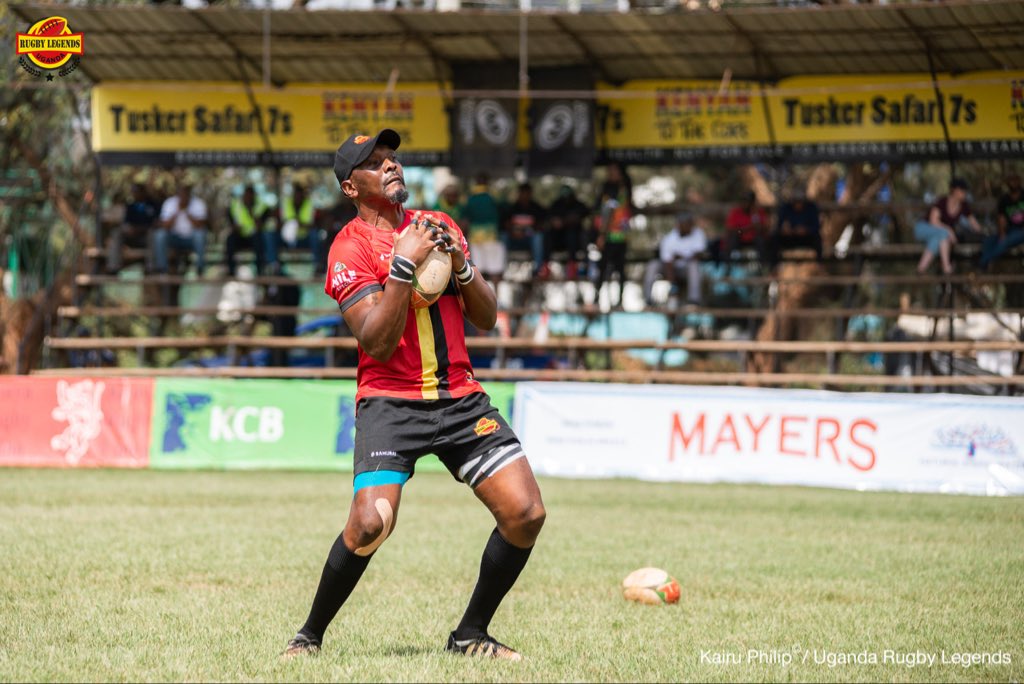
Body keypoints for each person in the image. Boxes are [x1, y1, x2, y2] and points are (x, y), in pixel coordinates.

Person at [283, 129, 545, 661]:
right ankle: (308, 637)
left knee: (526, 513)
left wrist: (463, 268)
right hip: (390, 401)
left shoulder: (440, 225)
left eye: (392, 158)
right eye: (375, 164)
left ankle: (470, 634)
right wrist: (403, 267)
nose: (391, 166)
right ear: (351, 188)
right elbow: (376, 342)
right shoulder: (348, 248)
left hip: (459, 397)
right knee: (370, 523)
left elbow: (488, 317)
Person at [914, 178, 983, 275]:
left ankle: (921, 268)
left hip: (939, 236)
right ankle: (946, 267)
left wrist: (983, 235)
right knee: (944, 234)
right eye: (962, 190)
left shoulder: (964, 205)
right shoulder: (942, 201)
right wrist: (949, 230)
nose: (964, 193)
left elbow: (974, 223)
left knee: (939, 239)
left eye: (965, 190)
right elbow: (933, 221)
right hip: (924, 228)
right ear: (954, 190)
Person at [642, 211, 707, 308]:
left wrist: (681, 257)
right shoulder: (669, 239)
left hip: (687, 269)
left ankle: (694, 301)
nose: (689, 226)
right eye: (686, 224)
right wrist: (673, 285)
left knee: (693, 265)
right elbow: (668, 262)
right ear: (679, 225)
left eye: (690, 223)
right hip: (670, 269)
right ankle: (648, 300)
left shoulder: (699, 234)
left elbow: (699, 255)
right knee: (653, 265)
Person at [592, 162, 633, 308]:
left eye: (614, 171)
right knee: (603, 268)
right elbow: (601, 212)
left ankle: (620, 300)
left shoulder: (625, 188)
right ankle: (596, 298)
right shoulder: (606, 190)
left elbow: (626, 210)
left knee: (620, 269)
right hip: (607, 235)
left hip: (621, 235)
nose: (611, 173)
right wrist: (601, 234)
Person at [153, 183, 208, 276]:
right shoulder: (169, 203)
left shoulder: (199, 203)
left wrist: (186, 211)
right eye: (181, 193)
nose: (183, 196)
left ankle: (200, 268)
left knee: (200, 235)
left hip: (192, 239)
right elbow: (165, 226)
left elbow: (200, 226)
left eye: (185, 193)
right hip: (174, 238)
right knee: (160, 235)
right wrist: (177, 211)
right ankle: (162, 268)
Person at [461, 173, 506, 282]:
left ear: (476, 182)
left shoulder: (469, 199)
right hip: (492, 236)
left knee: (478, 270)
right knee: (495, 269)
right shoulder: (494, 197)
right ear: (488, 182)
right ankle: (496, 297)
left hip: (475, 237)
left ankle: (481, 298)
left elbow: (465, 221)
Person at [106, 182, 159, 274]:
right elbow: (126, 223)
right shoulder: (131, 206)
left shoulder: (153, 205)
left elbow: (155, 224)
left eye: (136, 191)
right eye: (133, 191)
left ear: (143, 192)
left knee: (153, 234)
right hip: (132, 237)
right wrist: (128, 229)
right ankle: (113, 267)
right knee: (117, 232)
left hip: (146, 238)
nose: (134, 194)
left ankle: (151, 267)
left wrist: (140, 229)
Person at [267, 183, 318, 273]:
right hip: (287, 239)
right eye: (296, 195)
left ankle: (317, 265)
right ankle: (274, 264)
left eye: (299, 195)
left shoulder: (309, 204)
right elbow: (280, 224)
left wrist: (300, 224)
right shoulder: (286, 204)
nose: (297, 197)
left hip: (302, 239)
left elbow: (312, 225)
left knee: (314, 234)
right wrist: (286, 225)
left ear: (303, 196)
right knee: (270, 235)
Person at [767, 189, 822, 269]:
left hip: (806, 238)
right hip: (790, 237)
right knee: (774, 238)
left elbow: (816, 226)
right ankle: (773, 267)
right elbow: (779, 226)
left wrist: (806, 230)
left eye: (800, 202)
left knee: (817, 239)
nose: (798, 204)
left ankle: (819, 265)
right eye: (796, 202)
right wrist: (785, 230)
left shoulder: (811, 208)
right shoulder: (785, 208)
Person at [502, 182, 547, 277]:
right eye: (522, 193)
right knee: (503, 236)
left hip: (529, 241)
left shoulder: (536, 208)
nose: (524, 196)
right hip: (514, 240)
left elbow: (542, 225)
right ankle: (501, 268)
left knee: (538, 237)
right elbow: (505, 224)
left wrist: (528, 232)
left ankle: (537, 270)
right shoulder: (513, 208)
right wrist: (513, 232)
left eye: (527, 193)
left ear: (530, 194)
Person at [980, 173, 1024, 271]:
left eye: (1015, 180)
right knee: (988, 241)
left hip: (1021, 231)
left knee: (1005, 241)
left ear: (1019, 182)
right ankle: (985, 266)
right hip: (1010, 230)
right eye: (1010, 181)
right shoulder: (1004, 199)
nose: (1013, 183)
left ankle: (982, 263)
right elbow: (1001, 218)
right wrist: (1002, 233)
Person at [225, 185, 271, 277]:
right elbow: (231, 222)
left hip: (254, 237)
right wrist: (235, 228)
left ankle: (259, 270)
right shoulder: (235, 205)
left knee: (259, 240)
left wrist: (251, 212)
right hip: (240, 236)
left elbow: (260, 226)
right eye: (246, 195)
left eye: (250, 196)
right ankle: (231, 270)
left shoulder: (262, 206)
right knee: (230, 239)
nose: (248, 198)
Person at [547, 184, 589, 279]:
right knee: (546, 235)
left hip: (575, 241)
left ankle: (573, 267)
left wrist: (568, 221)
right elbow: (548, 217)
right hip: (558, 239)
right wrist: (554, 222)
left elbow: (585, 212)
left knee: (572, 235)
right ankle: (544, 266)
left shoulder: (577, 205)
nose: (566, 199)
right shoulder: (556, 205)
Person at [722, 191, 769, 262]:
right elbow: (730, 229)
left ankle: (764, 264)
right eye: (743, 201)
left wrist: (755, 217)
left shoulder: (758, 212)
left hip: (754, 238)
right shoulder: (736, 212)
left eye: (748, 201)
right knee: (731, 239)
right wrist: (746, 229)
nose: (745, 204)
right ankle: (726, 263)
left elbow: (764, 228)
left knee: (762, 240)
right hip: (740, 236)